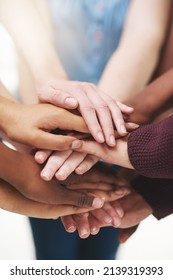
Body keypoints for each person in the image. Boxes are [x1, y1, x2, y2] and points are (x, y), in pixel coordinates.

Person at [0, 0, 170, 260]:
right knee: (52, 256)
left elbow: (143, 37)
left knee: (102, 247)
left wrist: (99, 126)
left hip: (119, 132)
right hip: (44, 132)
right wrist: (51, 83)